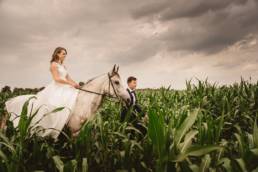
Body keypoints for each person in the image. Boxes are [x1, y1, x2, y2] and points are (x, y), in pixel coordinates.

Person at [4, 47, 80, 140]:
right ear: (57, 54)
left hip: (65, 86)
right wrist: (69, 83)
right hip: (57, 88)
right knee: (53, 107)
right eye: (63, 53)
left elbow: (68, 77)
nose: (65, 55)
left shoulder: (63, 67)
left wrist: (75, 84)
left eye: (65, 54)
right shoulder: (53, 65)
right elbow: (57, 79)